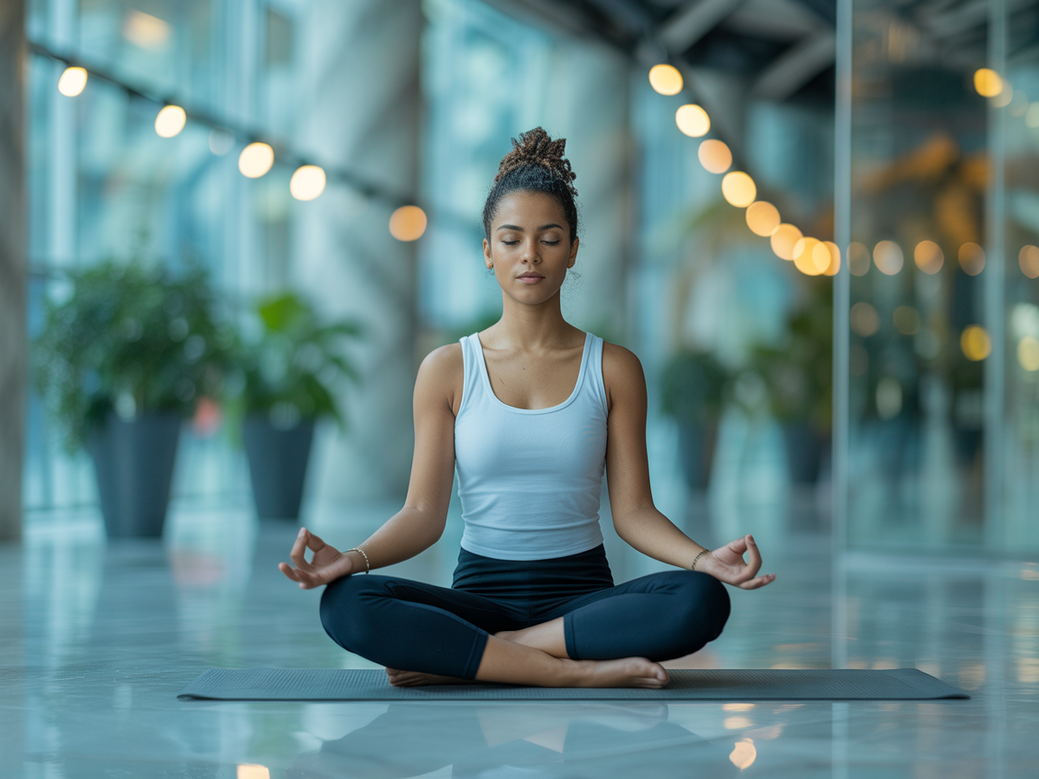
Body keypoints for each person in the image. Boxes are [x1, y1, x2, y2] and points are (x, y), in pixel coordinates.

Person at [279, 127, 775, 689]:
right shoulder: (448, 368)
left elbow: (633, 511)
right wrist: (353, 558)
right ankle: (572, 673)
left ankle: (487, 656)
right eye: (511, 239)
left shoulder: (614, 367)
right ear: (488, 251)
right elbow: (423, 515)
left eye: (550, 237)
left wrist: (702, 558)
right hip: (478, 599)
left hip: (583, 605)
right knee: (346, 602)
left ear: (573, 250)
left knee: (699, 599)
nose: (530, 255)